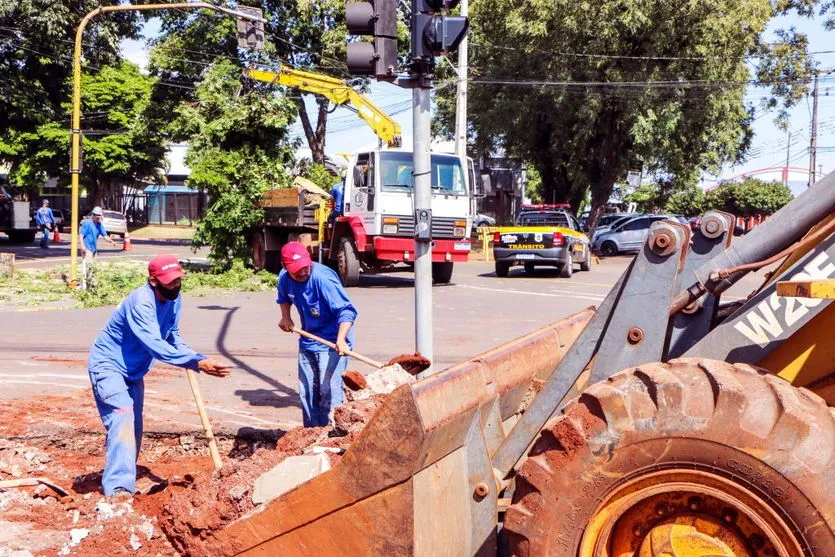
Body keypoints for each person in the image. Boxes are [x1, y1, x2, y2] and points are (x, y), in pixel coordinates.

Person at [88, 254, 230, 497]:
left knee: (135, 425)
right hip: (108, 366)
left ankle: (125, 474)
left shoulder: (174, 299)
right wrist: (196, 363)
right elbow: (155, 344)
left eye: (178, 280)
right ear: (153, 281)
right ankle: (118, 489)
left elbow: (172, 335)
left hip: (134, 370)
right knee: (123, 414)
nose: (175, 285)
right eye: (170, 281)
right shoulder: (141, 303)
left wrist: (197, 357)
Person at [277, 242, 357, 427]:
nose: (303, 272)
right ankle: (311, 434)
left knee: (328, 390)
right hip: (308, 339)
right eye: (297, 270)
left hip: (333, 342)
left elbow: (347, 311)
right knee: (307, 392)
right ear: (285, 267)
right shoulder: (284, 278)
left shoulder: (323, 279)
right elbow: (283, 298)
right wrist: (285, 318)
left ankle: (332, 434)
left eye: (305, 267)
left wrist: (341, 339)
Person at [80, 206, 116, 289]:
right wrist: (82, 246)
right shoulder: (87, 223)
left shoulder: (99, 225)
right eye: (97, 216)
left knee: (93, 266)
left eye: (99, 216)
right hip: (87, 247)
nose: (98, 218)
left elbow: (105, 235)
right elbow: (81, 235)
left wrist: (111, 241)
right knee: (88, 266)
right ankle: (85, 285)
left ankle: (91, 283)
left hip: (94, 249)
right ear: (93, 215)